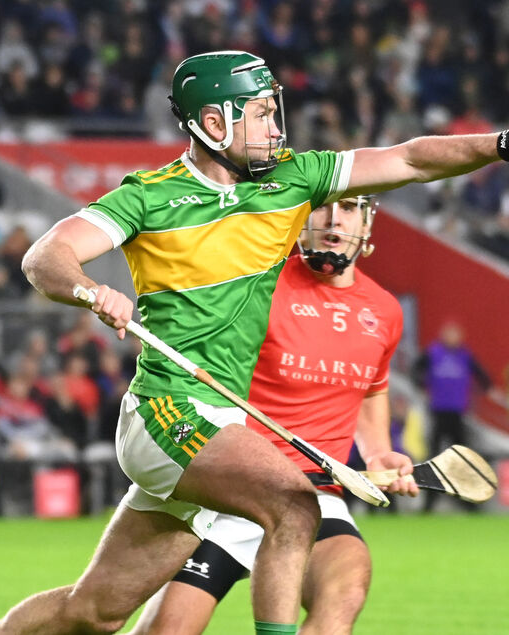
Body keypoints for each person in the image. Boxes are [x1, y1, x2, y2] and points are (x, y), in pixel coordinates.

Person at [0, 50, 509, 635]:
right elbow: (45, 256)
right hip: (168, 408)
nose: (275, 127)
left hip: (220, 422)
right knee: (294, 505)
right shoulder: (148, 196)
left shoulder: (293, 178)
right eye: (260, 114)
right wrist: (88, 290)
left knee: (95, 613)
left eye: (274, 110)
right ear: (214, 124)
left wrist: (502, 144)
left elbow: (409, 160)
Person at [130, 195, 418, 635]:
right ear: (299, 221)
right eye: (321, 207)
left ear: (366, 223)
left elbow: (371, 387)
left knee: (346, 589)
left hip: (314, 492)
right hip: (236, 487)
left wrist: (378, 453)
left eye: (348, 208)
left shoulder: (385, 311)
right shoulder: (257, 287)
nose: (333, 218)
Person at [412, 319, 497, 512]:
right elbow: (416, 370)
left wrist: (488, 388)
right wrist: (421, 385)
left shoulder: (465, 355)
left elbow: (482, 375)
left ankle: (469, 502)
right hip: (438, 412)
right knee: (433, 458)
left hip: (458, 413)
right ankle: (429, 503)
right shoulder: (433, 352)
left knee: (463, 458)